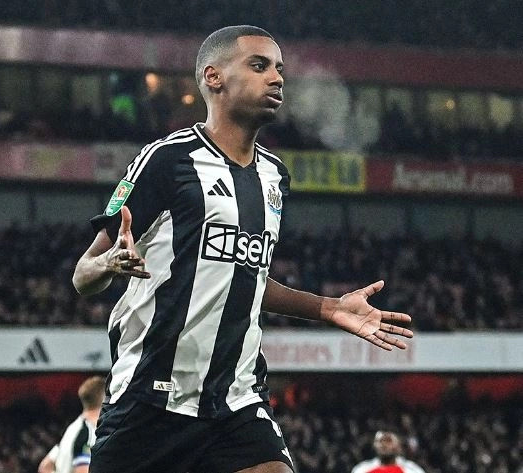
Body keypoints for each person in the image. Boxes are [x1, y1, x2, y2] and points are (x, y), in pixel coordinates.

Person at [73, 25, 414, 473]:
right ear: (213, 77)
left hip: (235, 400)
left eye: (279, 69)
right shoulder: (167, 159)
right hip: (149, 400)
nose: (276, 78)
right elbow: (83, 275)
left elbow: (247, 277)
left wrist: (329, 308)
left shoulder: (274, 176)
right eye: (259, 66)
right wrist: (109, 263)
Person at [38, 376, 106, 473]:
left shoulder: (71, 429)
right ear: (105, 400)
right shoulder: (88, 432)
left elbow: (45, 467)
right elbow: (82, 471)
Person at [351, 431, 426, 473]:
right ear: (374, 446)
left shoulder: (412, 470)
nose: (384, 445)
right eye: (380, 441)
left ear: (399, 446)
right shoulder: (362, 469)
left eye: (388, 441)